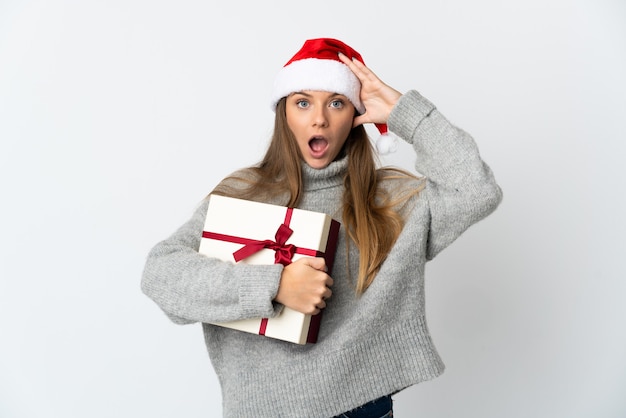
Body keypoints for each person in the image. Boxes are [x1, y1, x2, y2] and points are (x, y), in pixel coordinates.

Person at [141, 37, 502, 418]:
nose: (319, 119)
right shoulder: (242, 197)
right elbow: (160, 274)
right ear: (284, 115)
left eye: (336, 102)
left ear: (355, 115)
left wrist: (404, 113)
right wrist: (275, 285)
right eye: (302, 102)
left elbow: (475, 190)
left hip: (362, 409)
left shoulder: (392, 202)